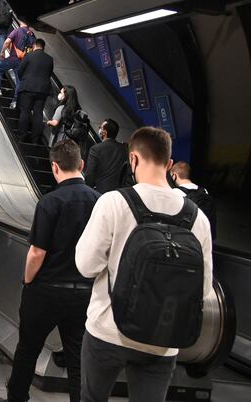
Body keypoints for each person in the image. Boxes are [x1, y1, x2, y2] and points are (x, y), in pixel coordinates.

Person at [75, 127, 212, 402]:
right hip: (162, 339)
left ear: (133, 159)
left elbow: (86, 265)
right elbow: (204, 288)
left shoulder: (113, 202)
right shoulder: (198, 218)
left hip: (107, 330)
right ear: (169, 164)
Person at [0, 140, 100, 402]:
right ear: (81, 164)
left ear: (54, 167)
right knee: (78, 359)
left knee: (28, 348)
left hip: (46, 290)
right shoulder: (100, 202)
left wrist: (28, 281)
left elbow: (37, 252)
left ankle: (16, 398)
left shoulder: (50, 202)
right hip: (84, 293)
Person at [16, 39, 53, 144]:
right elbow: (49, 74)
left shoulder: (29, 55)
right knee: (38, 114)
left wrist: (24, 80)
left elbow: (20, 70)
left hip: (28, 87)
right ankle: (35, 139)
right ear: (43, 47)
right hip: (43, 90)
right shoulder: (49, 59)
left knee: (25, 111)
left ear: (34, 46)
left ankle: (21, 136)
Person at [0, 22, 35, 108]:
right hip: (23, 62)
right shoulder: (31, 34)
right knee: (19, 82)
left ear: (22, 22)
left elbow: (7, 41)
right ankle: (15, 101)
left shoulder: (17, 31)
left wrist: (2, 52)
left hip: (13, 58)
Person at [171, 161, 217, 239]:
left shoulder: (176, 192)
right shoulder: (204, 191)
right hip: (204, 235)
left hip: (187, 238)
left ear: (174, 175)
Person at [84, 119, 128, 194]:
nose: (99, 129)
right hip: (120, 193)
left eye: (100, 128)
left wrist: (87, 191)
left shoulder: (95, 149)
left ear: (104, 132)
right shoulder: (123, 149)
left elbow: (90, 175)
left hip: (100, 193)